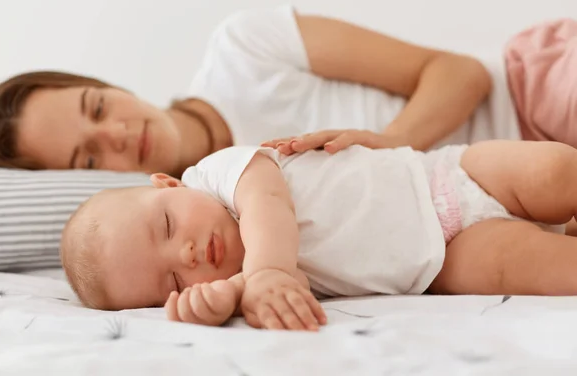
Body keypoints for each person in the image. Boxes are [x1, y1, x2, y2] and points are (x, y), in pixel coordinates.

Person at [61, 137, 577, 331]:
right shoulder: (251, 283)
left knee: (556, 173)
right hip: (443, 259)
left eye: (168, 226)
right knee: (541, 267)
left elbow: (268, 206)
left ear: (169, 183)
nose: (190, 253)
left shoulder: (220, 174)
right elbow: (252, 288)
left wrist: (264, 273)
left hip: (446, 175)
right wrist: (213, 305)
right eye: (174, 280)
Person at [0, 5, 498, 175]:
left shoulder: (244, 48)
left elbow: (460, 73)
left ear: (107, 84)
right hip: (522, 195)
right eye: (87, 161)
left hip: (525, 97)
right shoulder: (210, 217)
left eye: (98, 106)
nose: (116, 132)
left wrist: (393, 146)